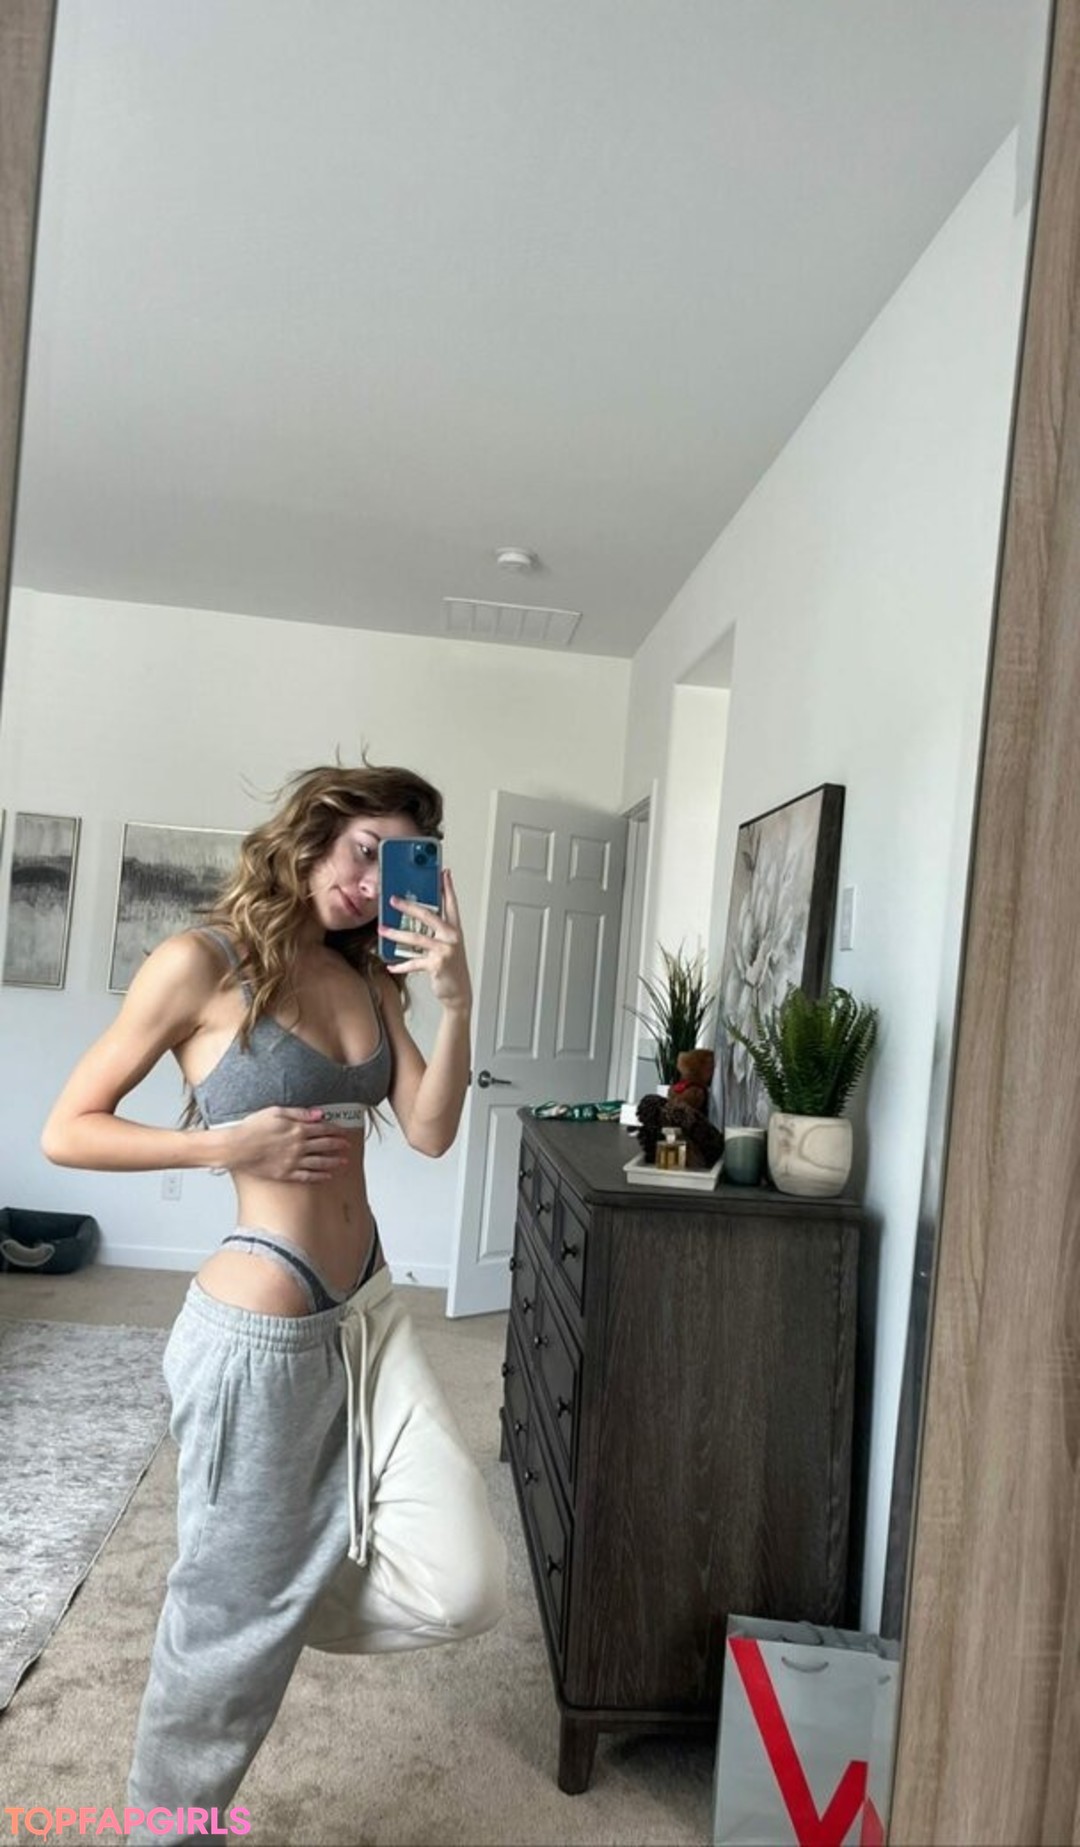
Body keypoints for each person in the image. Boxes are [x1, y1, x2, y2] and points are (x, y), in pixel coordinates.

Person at [41, 761, 508, 1831]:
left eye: (394, 866)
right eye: (362, 852)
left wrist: (456, 999)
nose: (369, 883)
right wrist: (223, 1143)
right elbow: (68, 1128)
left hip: (370, 1314)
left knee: (465, 1580)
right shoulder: (201, 962)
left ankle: (271, 1588)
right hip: (264, 1325)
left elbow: (430, 1130)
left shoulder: (369, 978)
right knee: (222, 1630)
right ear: (312, 833)